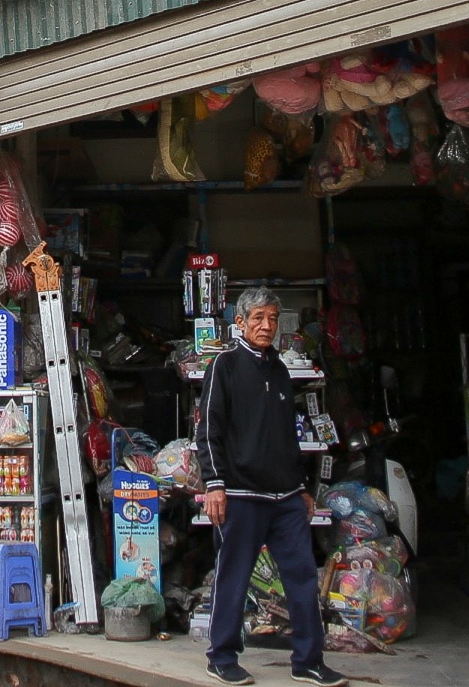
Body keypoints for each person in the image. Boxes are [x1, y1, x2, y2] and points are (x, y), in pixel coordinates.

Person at [195, 287, 344, 687]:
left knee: (302, 576)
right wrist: (214, 484)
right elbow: (208, 431)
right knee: (234, 576)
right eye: (258, 318)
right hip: (241, 496)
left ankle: (309, 661)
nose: (267, 326)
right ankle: (222, 656)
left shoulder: (279, 370)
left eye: (273, 319)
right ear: (240, 322)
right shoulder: (223, 366)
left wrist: (302, 486)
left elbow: (285, 437)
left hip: (286, 499)